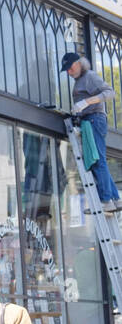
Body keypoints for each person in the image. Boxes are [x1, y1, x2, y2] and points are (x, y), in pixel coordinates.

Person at [61, 51, 121, 211]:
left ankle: (105, 201)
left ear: (79, 64)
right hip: (89, 120)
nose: (69, 72)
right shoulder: (79, 80)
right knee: (97, 160)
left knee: (97, 160)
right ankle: (115, 199)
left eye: (70, 68)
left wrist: (86, 102)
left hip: (95, 119)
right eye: (66, 69)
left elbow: (110, 93)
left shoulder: (89, 76)